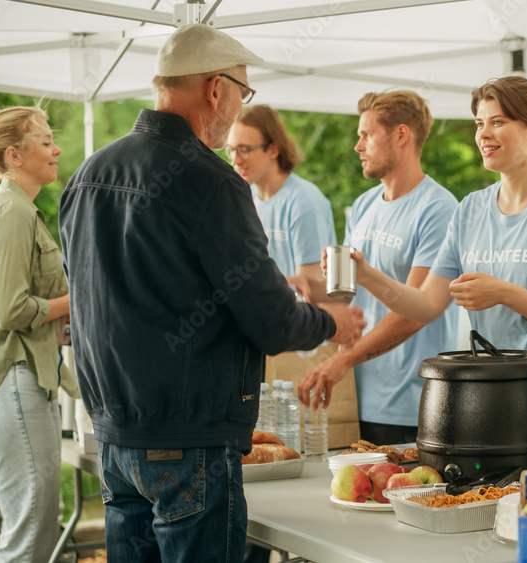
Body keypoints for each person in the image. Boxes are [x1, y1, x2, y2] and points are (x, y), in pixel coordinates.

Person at [57, 24, 365, 562]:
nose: (239, 106)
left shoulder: (86, 175)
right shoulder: (212, 182)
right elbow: (270, 320)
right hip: (187, 442)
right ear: (215, 89)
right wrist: (331, 323)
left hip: (113, 436)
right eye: (243, 92)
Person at [348, 76, 527, 440]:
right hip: (497, 409)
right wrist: (365, 274)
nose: (484, 134)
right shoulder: (469, 210)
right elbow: (426, 305)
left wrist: (506, 294)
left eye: (498, 122)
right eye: (479, 123)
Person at [297, 91, 458, 445]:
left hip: (412, 404)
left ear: (402, 135)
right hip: (357, 396)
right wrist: (303, 289)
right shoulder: (364, 204)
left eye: (367, 135)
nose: (358, 146)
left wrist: (344, 360)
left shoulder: (438, 209)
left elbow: (416, 311)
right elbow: (351, 297)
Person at [0, 105, 74, 562]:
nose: (57, 149)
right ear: (14, 155)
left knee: (37, 530)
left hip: (26, 383)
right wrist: (81, 300)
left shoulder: (19, 208)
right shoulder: (10, 211)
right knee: (28, 537)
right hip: (12, 384)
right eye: (46, 142)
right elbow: (9, 310)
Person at [226, 105, 336, 281]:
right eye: (231, 149)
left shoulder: (304, 202)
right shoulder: (247, 199)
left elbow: (310, 286)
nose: (235, 160)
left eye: (244, 149)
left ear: (273, 149)